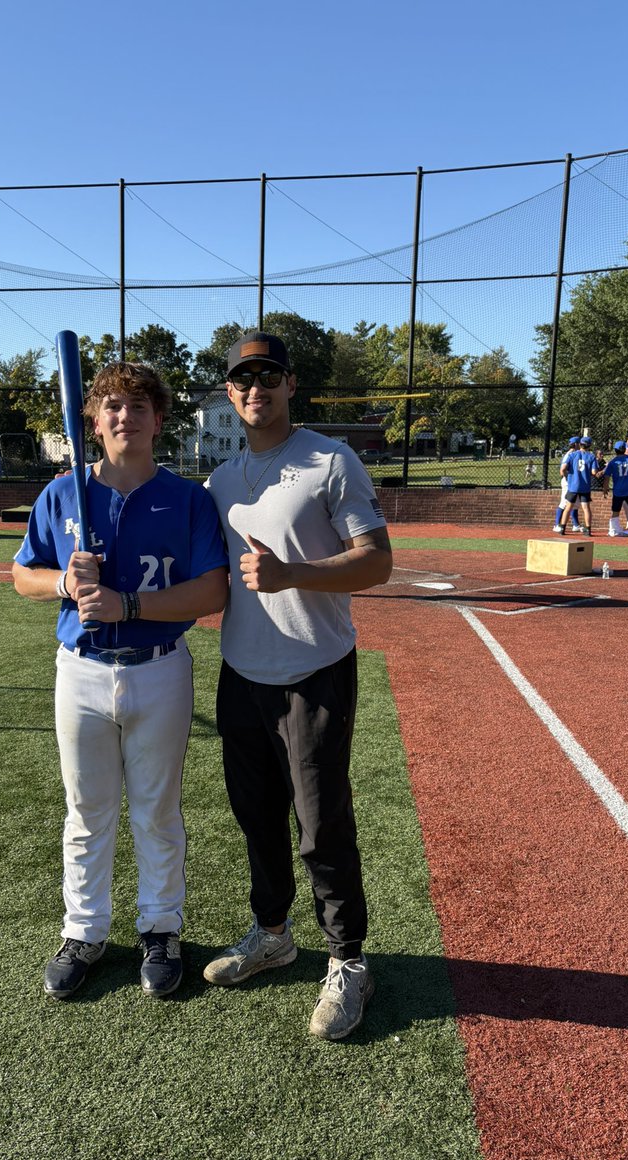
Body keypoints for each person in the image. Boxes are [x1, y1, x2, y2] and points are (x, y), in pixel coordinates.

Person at [12, 361, 228, 1000]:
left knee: (157, 810)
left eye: (138, 407)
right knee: (87, 811)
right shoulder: (62, 493)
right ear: (94, 420)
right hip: (80, 670)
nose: (124, 416)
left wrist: (126, 604)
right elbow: (22, 574)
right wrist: (63, 582)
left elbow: (212, 590)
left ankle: (161, 927)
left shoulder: (188, 499)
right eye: (111, 406)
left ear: (159, 420)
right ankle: (84, 930)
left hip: (160, 667)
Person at [202, 331, 393, 1041]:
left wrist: (293, 575)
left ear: (289, 385)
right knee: (256, 816)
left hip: (315, 673)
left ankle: (348, 960)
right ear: (229, 392)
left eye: (269, 375)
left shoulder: (330, 460)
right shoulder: (221, 480)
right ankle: (273, 934)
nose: (256, 388)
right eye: (243, 378)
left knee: (321, 825)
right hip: (241, 674)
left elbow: (377, 562)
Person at [557, 435, 598, 536]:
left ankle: (562, 528)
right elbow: (594, 472)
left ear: (580, 444)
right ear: (589, 446)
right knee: (586, 508)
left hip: (573, 486)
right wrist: (599, 472)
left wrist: (567, 477)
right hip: (585, 487)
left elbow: (562, 469)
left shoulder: (572, 455)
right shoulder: (591, 456)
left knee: (568, 507)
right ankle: (588, 530)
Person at [603, 440, 628, 536]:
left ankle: (613, 530)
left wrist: (605, 488)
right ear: (624, 449)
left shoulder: (613, 462)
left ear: (615, 450)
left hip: (618, 491)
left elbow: (607, 477)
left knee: (615, 511)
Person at [553, 437, 581, 533]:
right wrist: (568, 478)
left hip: (573, 481)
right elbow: (562, 471)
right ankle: (556, 525)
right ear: (576, 444)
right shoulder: (569, 454)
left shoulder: (575, 454)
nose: (580, 445)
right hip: (568, 481)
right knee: (564, 503)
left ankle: (576, 525)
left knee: (575, 503)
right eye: (579, 443)